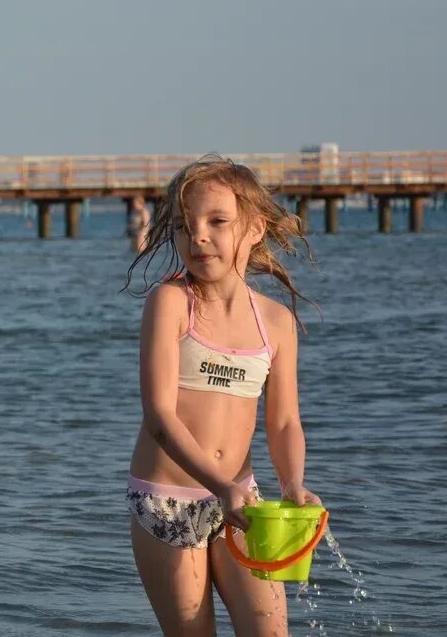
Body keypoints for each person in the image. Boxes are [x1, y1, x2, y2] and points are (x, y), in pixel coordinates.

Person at [124, 155, 321, 635]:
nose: (199, 237)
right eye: (185, 226)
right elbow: (160, 416)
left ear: (254, 228)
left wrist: (293, 485)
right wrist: (220, 484)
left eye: (217, 222)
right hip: (168, 501)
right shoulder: (170, 303)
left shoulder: (275, 322)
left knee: (270, 630)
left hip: (241, 499)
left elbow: (284, 422)